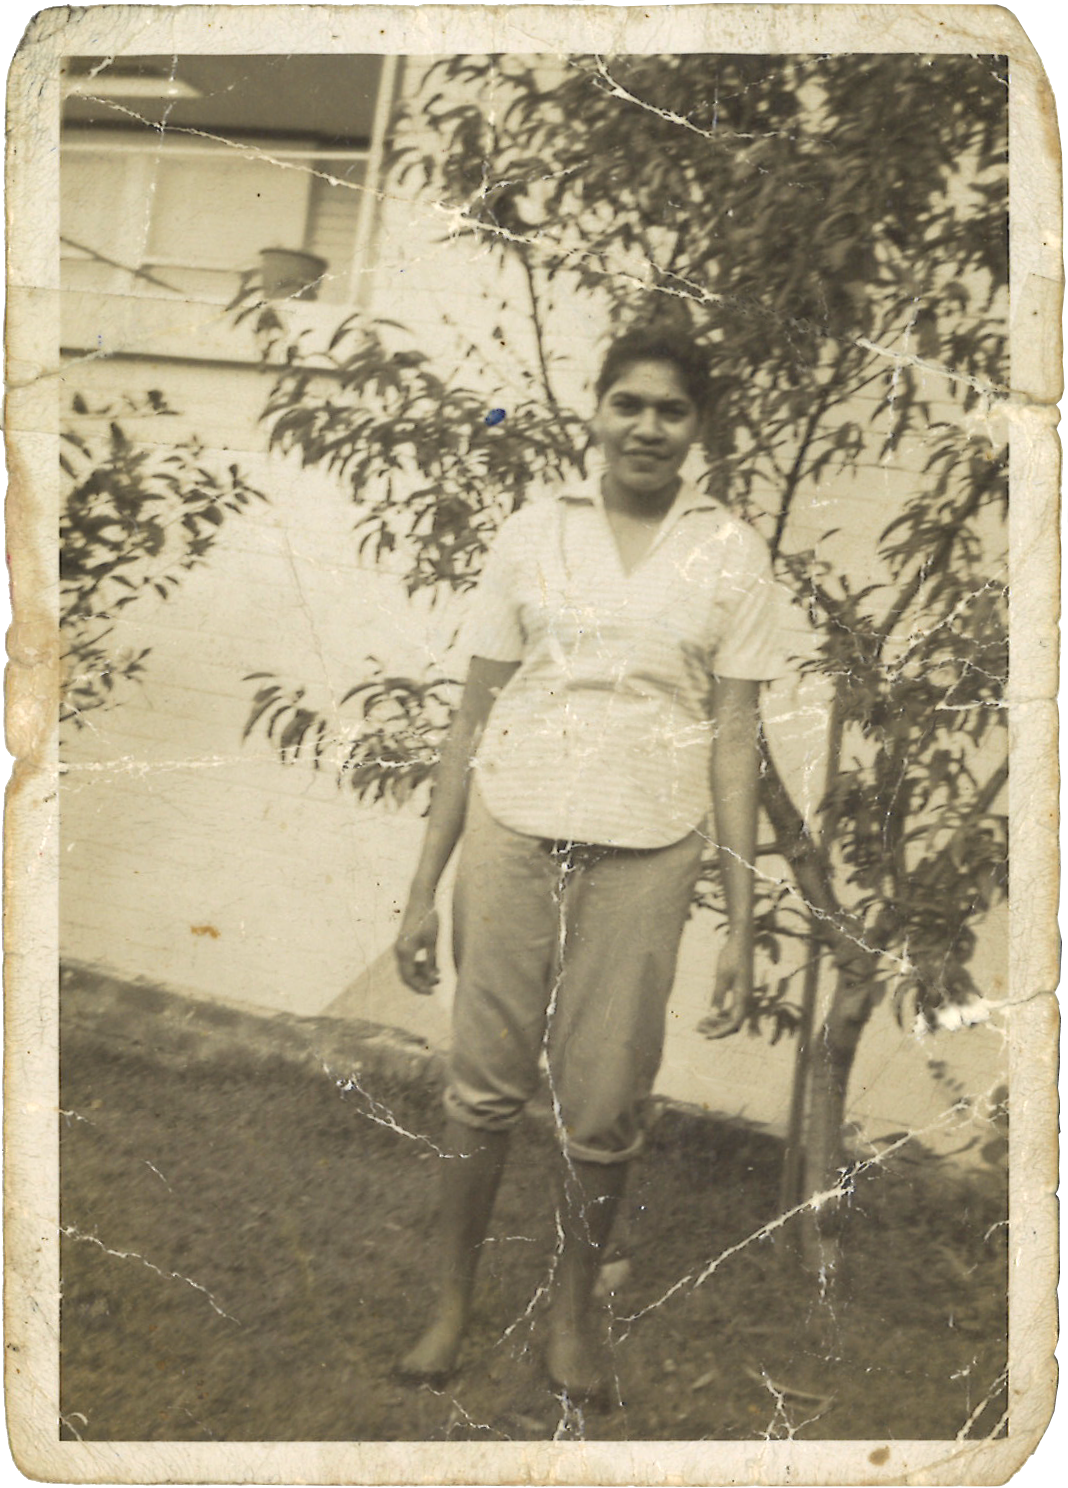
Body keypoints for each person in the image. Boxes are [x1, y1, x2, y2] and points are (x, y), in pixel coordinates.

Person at [393, 324, 782, 1399]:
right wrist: (422, 887)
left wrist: (742, 926)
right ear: (598, 411)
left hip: (649, 849)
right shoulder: (532, 532)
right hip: (514, 831)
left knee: (606, 1102)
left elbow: (736, 742)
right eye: (629, 404)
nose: (647, 427)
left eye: (671, 410)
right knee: (483, 1087)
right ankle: (450, 1308)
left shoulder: (731, 552)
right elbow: (472, 715)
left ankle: (570, 1321)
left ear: (698, 428)